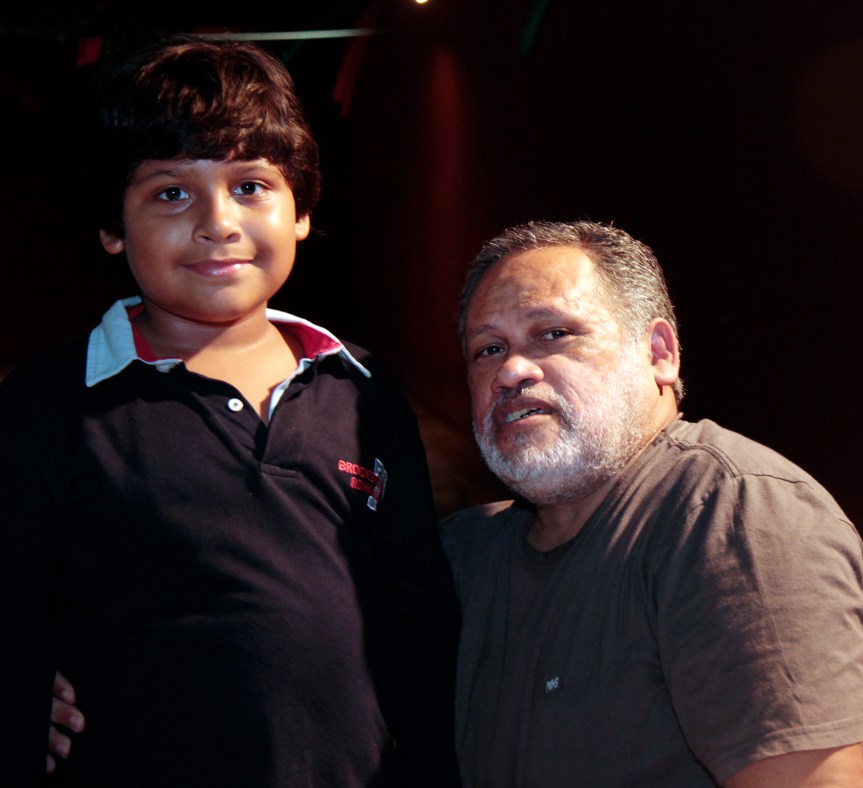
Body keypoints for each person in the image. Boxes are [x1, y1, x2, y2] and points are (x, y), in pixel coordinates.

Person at [0, 35, 460, 786]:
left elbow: (419, 612)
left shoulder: (362, 389)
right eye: (170, 193)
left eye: (250, 186)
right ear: (112, 227)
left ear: (300, 210)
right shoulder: (48, 405)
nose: (218, 222)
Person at [440, 219, 863, 786]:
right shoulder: (461, 558)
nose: (510, 371)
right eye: (488, 349)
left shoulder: (728, 512)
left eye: (554, 333)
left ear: (659, 353)